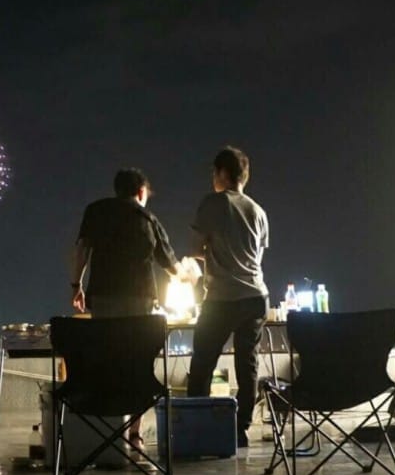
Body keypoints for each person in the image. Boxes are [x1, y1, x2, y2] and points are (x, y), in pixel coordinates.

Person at [69, 168, 179, 449]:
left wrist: (76, 285)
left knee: (106, 358)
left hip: (103, 298)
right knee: (138, 364)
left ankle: (107, 431)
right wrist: (190, 274)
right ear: (141, 192)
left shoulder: (95, 211)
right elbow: (169, 263)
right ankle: (134, 435)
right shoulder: (148, 218)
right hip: (140, 300)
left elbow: (82, 249)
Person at [186, 146, 270, 448]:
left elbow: (195, 248)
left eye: (214, 172)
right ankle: (240, 429)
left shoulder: (212, 203)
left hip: (222, 297)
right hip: (255, 296)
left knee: (203, 364)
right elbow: (256, 257)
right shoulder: (258, 211)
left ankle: (198, 427)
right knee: (247, 366)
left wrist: (212, 250)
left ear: (222, 173)